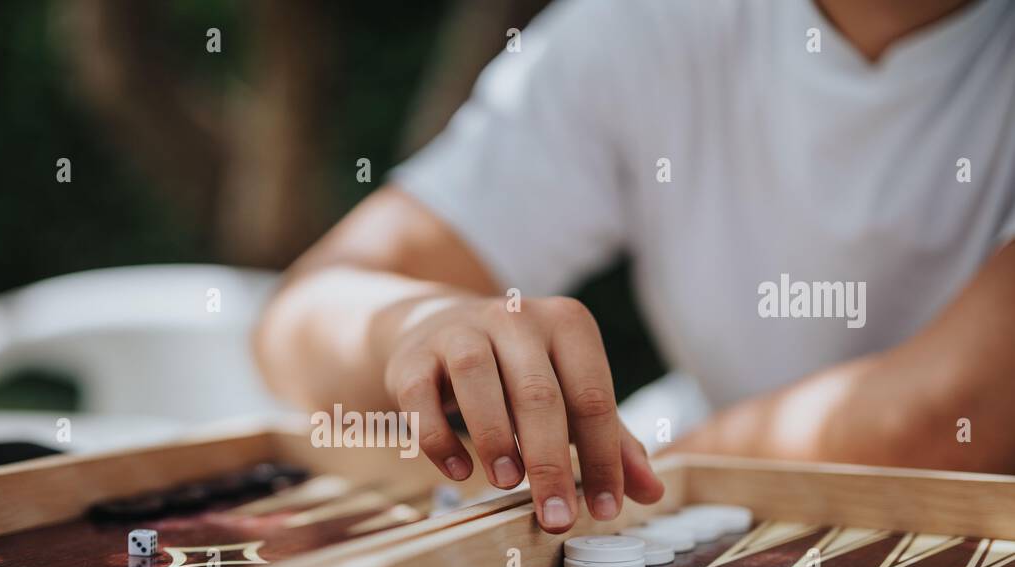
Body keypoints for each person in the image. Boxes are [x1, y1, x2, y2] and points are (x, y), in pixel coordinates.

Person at [254, 0, 1015, 533]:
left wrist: (630, 480)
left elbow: (952, 418)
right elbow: (302, 316)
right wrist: (422, 328)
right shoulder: (640, 25)